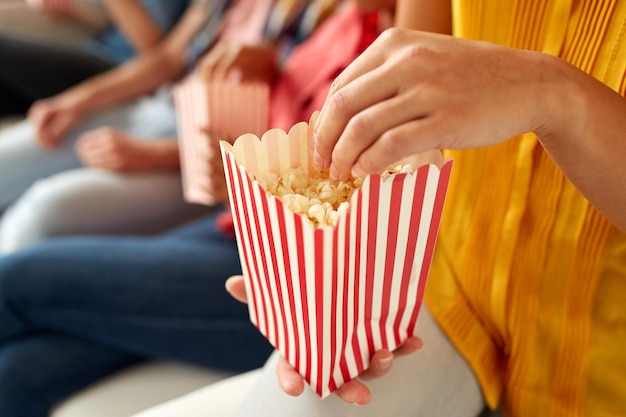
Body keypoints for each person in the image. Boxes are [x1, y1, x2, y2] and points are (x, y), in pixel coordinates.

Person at [126, 0, 626, 416]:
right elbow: (402, 109)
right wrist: (333, 296)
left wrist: (555, 94)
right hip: (445, 288)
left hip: (599, 368)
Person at [0, 0, 390, 415]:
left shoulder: (376, 42)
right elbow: (268, 152)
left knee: (17, 276)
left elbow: (329, 194)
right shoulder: (329, 26)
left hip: (288, 271)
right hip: (234, 225)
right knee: (17, 370)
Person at [0, 0, 343, 254]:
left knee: (41, 212)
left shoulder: (327, 16)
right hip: (158, 109)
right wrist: (78, 100)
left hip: (208, 161)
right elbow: (166, 59)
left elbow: (293, 146)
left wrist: (153, 155)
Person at [0, 0, 190, 117]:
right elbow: (114, 26)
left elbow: (158, 54)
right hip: (98, 49)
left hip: (128, 71)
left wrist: (75, 101)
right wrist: (76, 13)